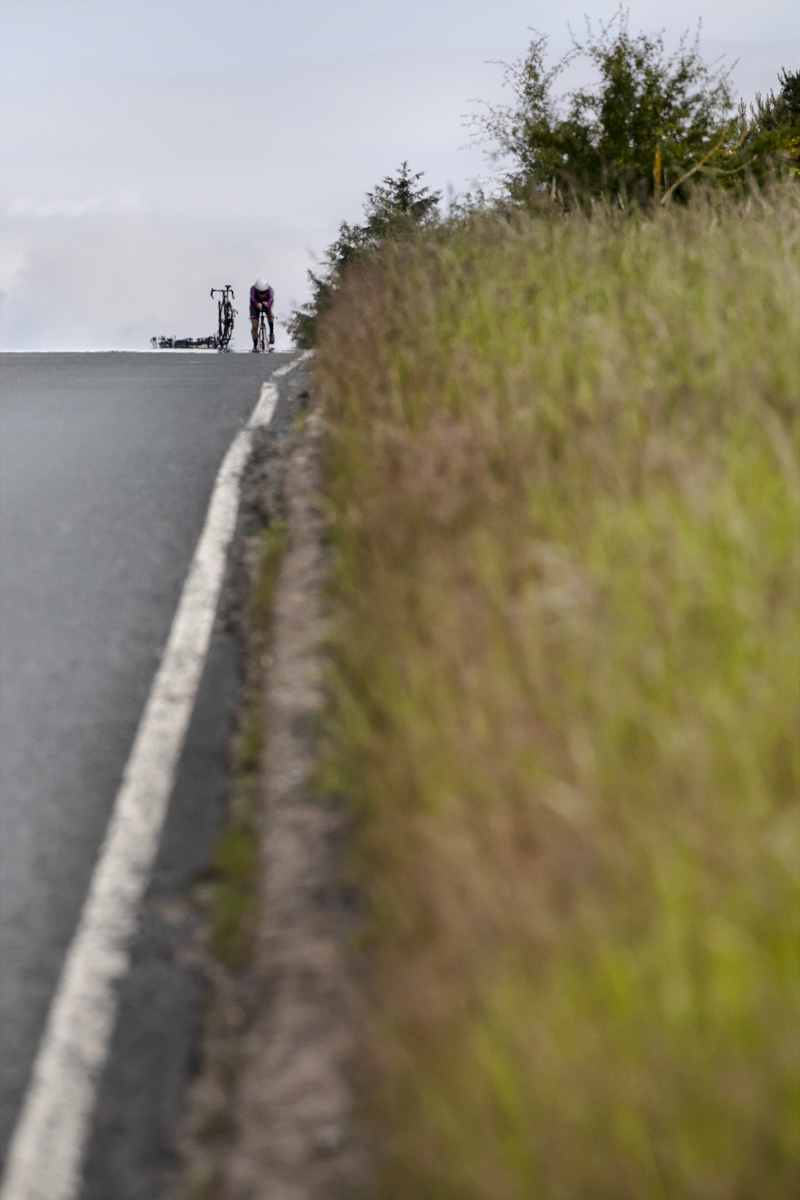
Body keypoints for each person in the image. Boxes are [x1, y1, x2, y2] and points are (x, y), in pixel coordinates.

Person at [250, 278, 275, 351]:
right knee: (255, 326)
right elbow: (253, 299)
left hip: (267, 302)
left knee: (269, 311)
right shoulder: (252, 289)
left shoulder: (271, 290)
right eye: (260, 293)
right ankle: (255, 344)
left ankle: (271, 332)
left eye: (264, 292)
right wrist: (257, 304)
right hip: (255, 304)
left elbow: (270, 300)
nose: (262, 295)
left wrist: (267, 305)